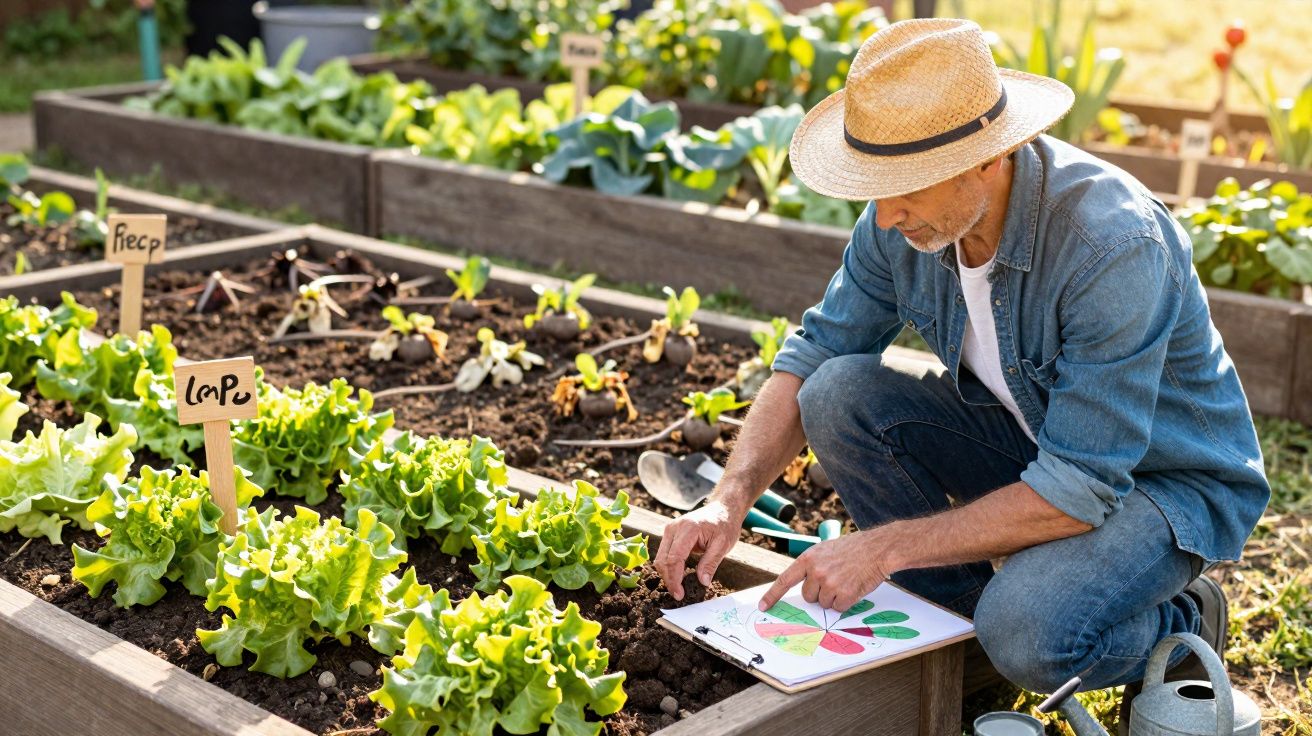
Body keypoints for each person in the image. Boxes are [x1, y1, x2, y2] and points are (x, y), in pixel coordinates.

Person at [653, 17, 1269, 708]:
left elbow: (1082, 485)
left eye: (907, 186)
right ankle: (960, 637)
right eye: (875, 185)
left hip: (1164, 483)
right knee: (834, 391)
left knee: (1028, 633)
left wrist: (882, 549)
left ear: (987, 157)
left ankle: (1185, 623)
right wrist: (728, 501)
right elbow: (816, 352)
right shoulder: (898, 223)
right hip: (1043, 443)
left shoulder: (1112, 246)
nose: (886, 215)